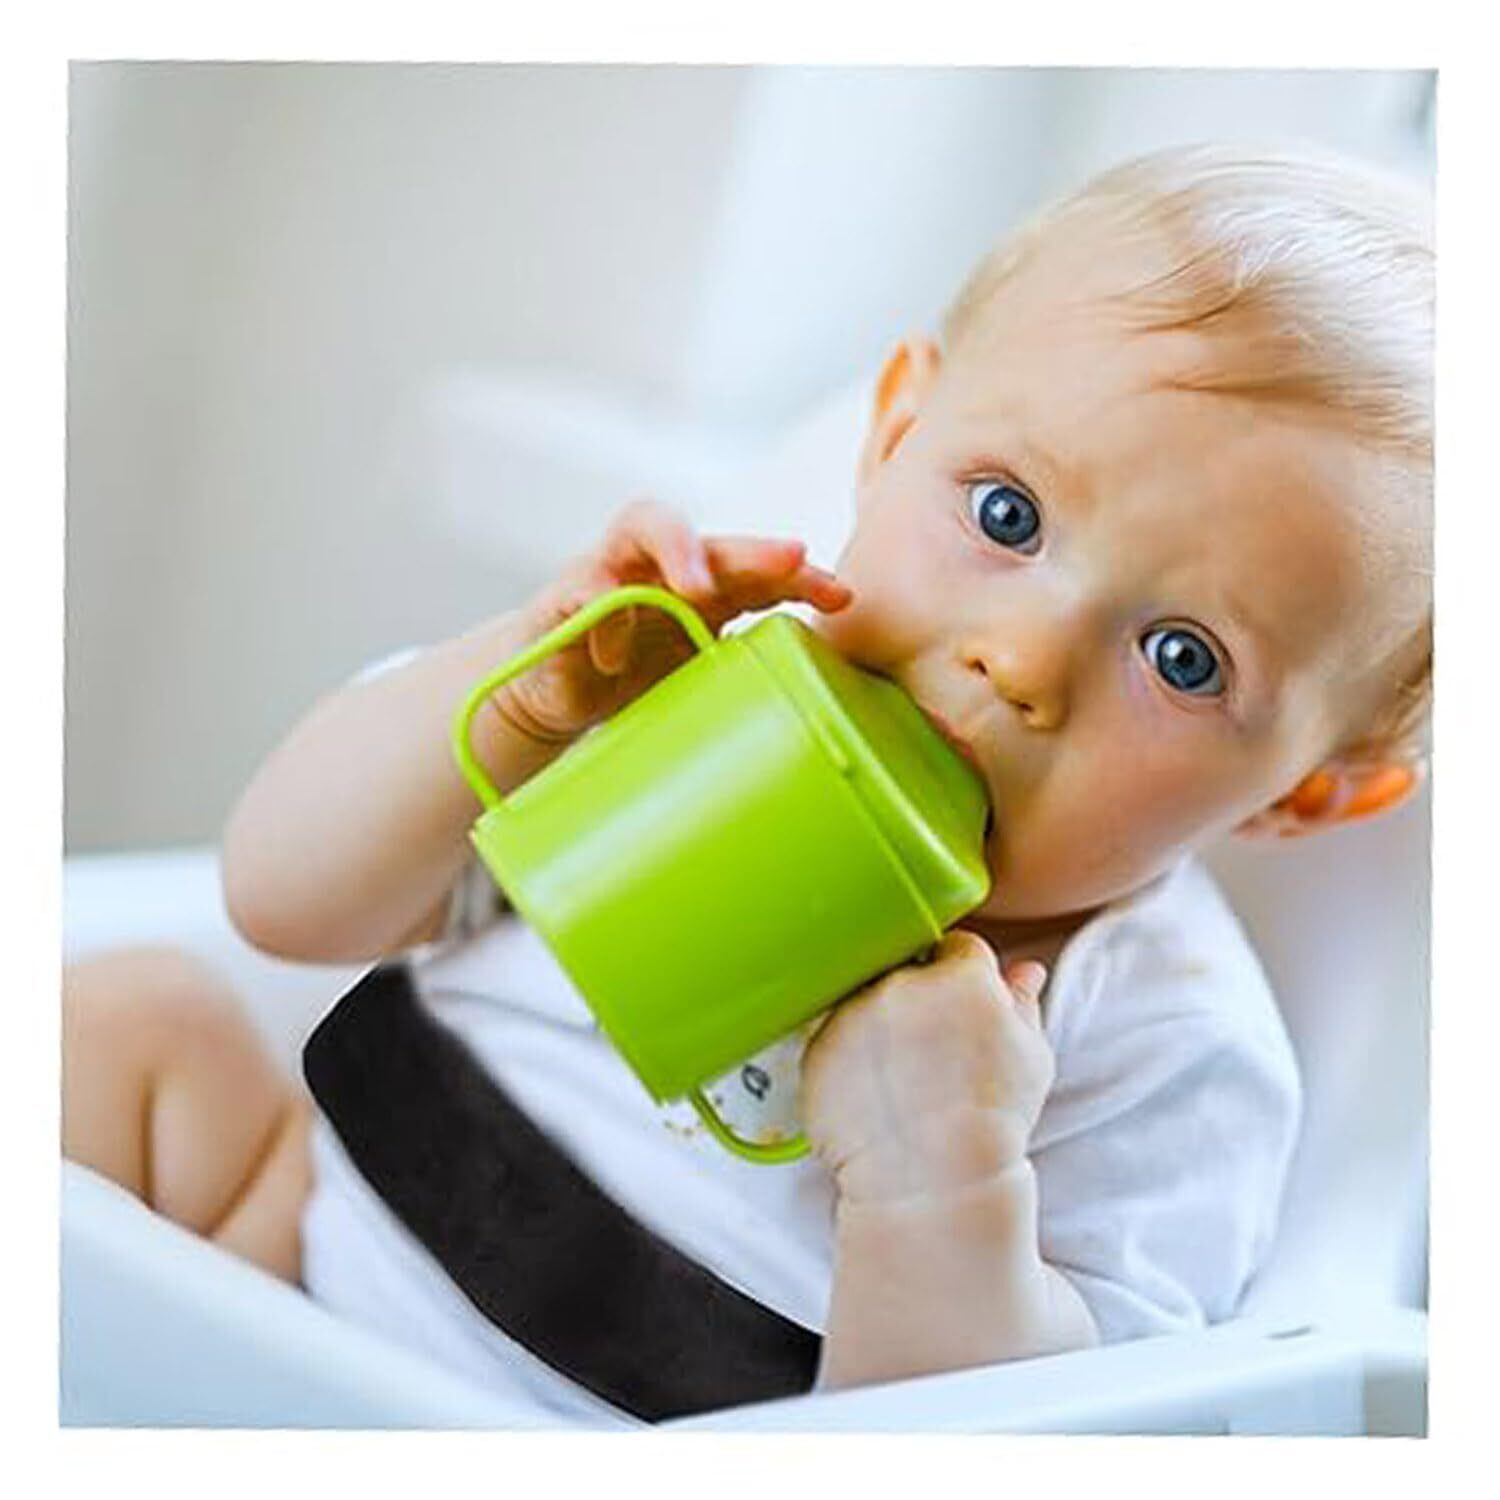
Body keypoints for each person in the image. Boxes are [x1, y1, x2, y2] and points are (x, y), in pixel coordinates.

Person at [63, 143, 1433, 1424]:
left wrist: (941, 1181)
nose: (1019, 660)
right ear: (894, 436)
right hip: (285, 1263)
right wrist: (520, 706)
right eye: (1006, 515)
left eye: (1185, 659)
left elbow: (1012, 1452)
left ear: (1306, 794)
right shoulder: (691, 696)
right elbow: (282, 901)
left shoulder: (1166, 1044)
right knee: (134, 1020)